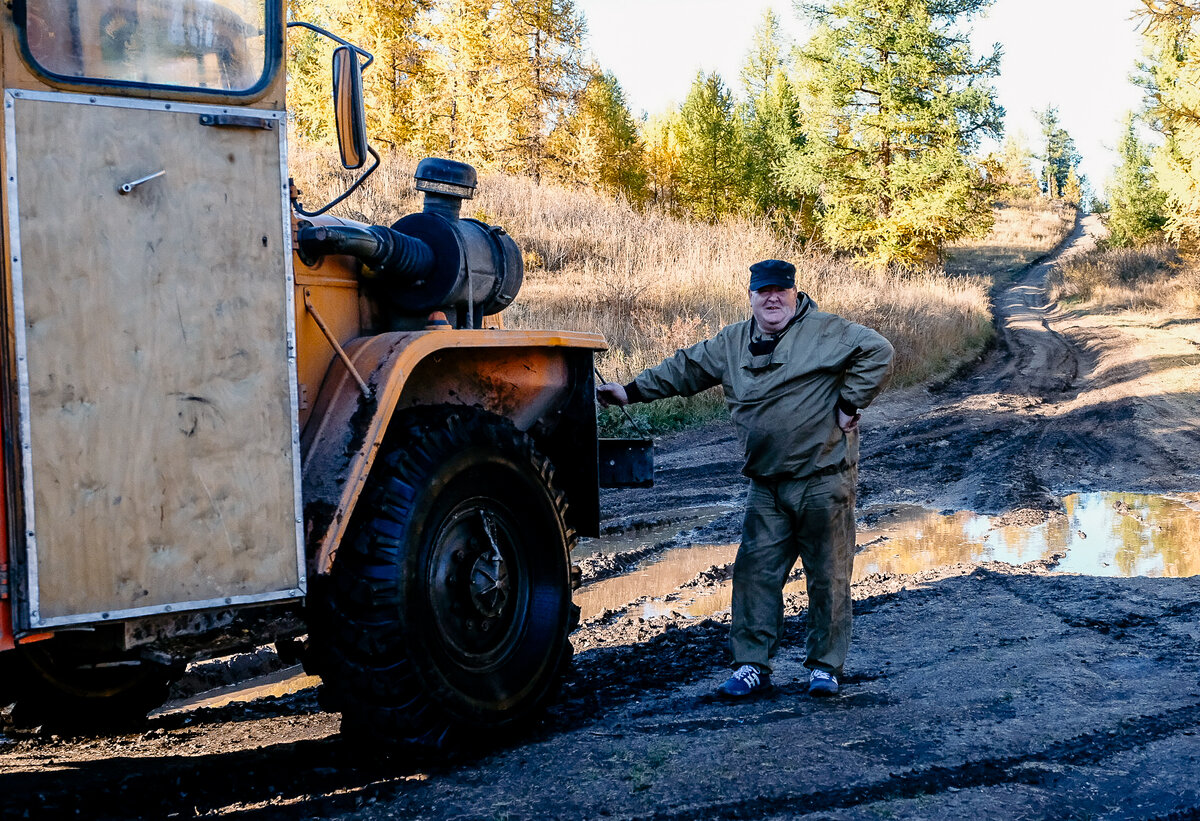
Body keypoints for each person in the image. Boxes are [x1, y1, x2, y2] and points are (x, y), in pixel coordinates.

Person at [597, 259, 893, 699]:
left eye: (781, 291)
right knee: (754, 575)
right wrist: (632, 391)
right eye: (763, 291)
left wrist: (849, 403)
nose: (772, 298)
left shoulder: (828, 331)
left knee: (828, 576)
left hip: (823, 479)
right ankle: (752, 665)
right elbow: (686, 368)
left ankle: (825, 668)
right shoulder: (733, 341)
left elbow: (880, 352)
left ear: (795, 294)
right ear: (751, 296)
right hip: (766, 485)